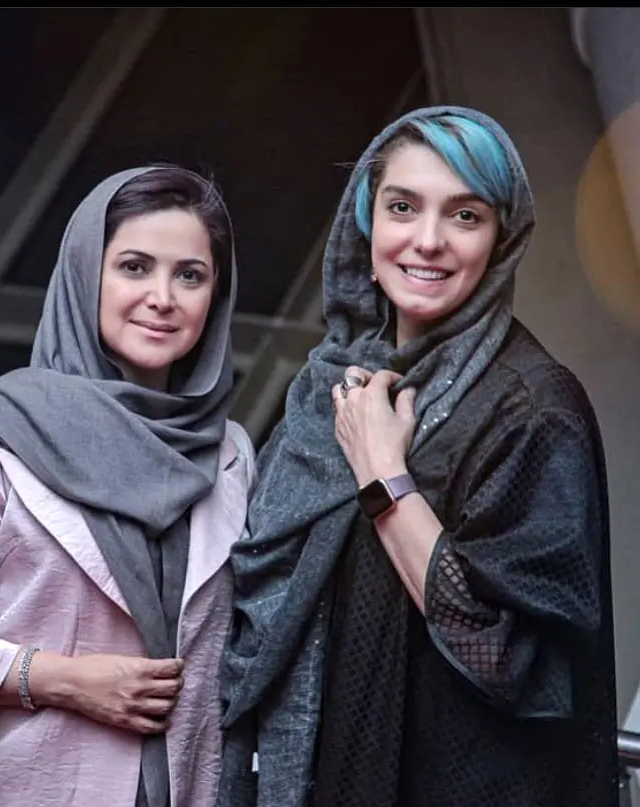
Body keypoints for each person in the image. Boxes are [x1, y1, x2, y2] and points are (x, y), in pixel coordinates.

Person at [216, 106, 619, 807]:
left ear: (500, 240)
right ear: (365, 224)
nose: (427, 241)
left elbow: (506, 656)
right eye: (402, 207)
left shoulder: (530, 409)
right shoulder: (330, 391)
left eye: (465, 216)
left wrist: (383, 477)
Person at [0, 164, 255, 807]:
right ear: (86, 275)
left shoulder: (230, 456)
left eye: (190, 275)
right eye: (134, 267)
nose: (163, 297)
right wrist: (62, 680)